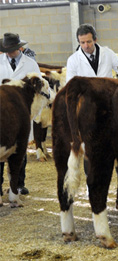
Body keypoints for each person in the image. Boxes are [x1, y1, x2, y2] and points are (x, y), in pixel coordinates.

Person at [0, 32, 42, 196]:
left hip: (22, 113)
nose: (9, 52)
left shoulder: (31, 64)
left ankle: (18, 184)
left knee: (20, 148)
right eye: (6, 49)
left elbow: (38, 88)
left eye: (12, 48)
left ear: (19, 48)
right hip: (2, 114)